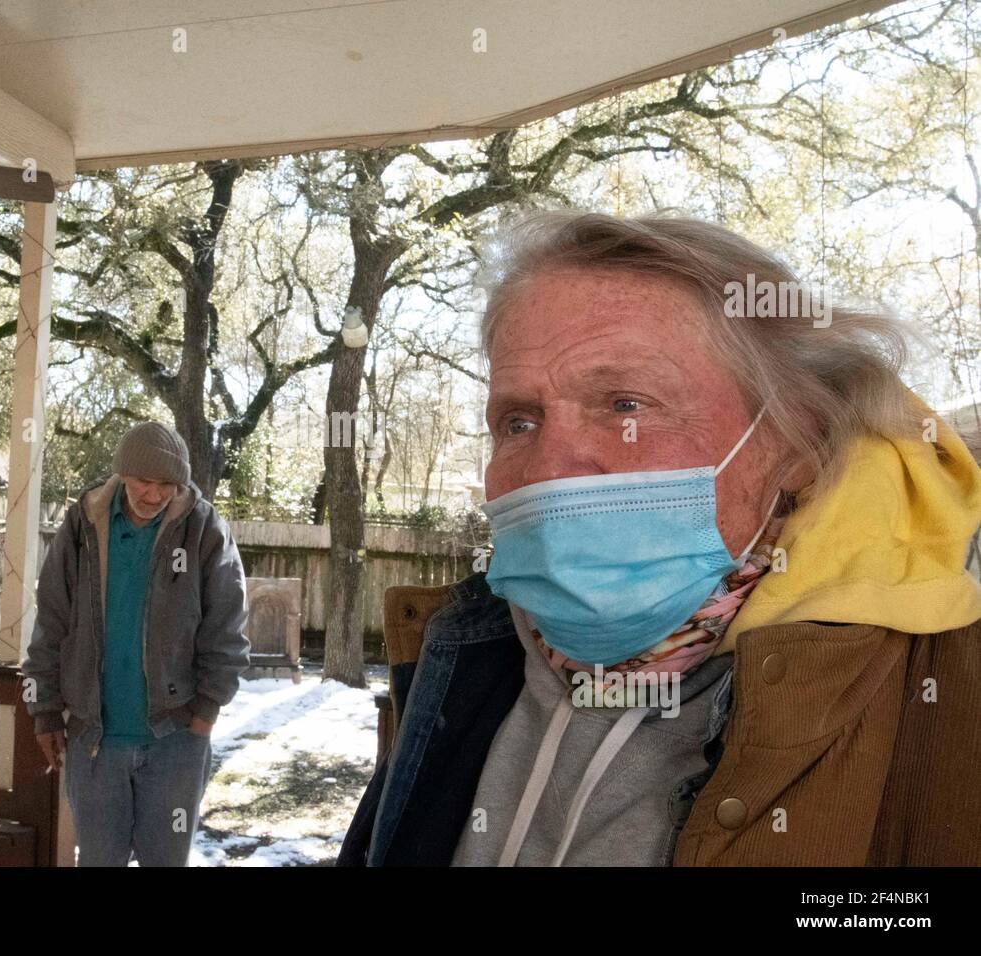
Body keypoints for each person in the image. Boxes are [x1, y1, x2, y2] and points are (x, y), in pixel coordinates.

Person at [339, 210, 981, 866]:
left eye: (625, 405)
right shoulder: (466, 641)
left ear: (797, 440)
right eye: (519, 422)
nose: (550, 464)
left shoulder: (946, 697)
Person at [23, 420, 249, 866]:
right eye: (145, 481)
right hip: (94, 739)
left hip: (175, 738)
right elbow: (51, 618)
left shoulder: (204, 529)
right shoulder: (84, 524)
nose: (155, 494)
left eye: (167, 483)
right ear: (123, 474)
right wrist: (45, 709)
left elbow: (228, 626)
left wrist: (205, 712)